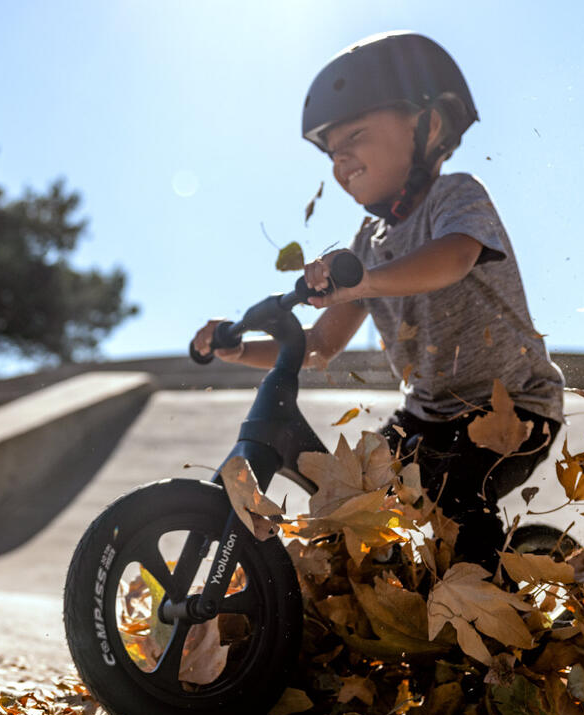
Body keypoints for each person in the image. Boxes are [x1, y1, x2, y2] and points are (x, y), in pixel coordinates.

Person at [193, 31, 564, 571]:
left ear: (429, 125)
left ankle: (499, 630)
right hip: (424, 419)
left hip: (515, 411)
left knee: (453, 510)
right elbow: (318, 347)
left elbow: (455, 257)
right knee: (351, 505)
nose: (341, 161)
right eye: (332, 152)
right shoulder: (368, 245)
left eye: (357, 137)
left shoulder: (455, 196)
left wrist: (363, 281)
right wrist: (240, 351)